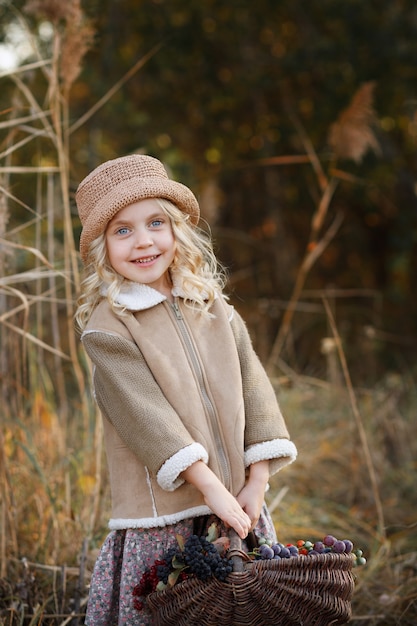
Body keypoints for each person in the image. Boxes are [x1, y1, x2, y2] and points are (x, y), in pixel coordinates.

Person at [74, 154, 297, 626]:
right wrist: (210, 487)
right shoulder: (109, 329)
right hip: (165, 519)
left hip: (237, 505)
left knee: (245, 606)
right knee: (171, 611)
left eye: (156, 222)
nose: (144, 241)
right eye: (122, 230)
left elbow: (254, 387)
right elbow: (147, 417)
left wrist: (257, 481)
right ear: (102, 248)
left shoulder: (213, 307)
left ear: (177, 229)